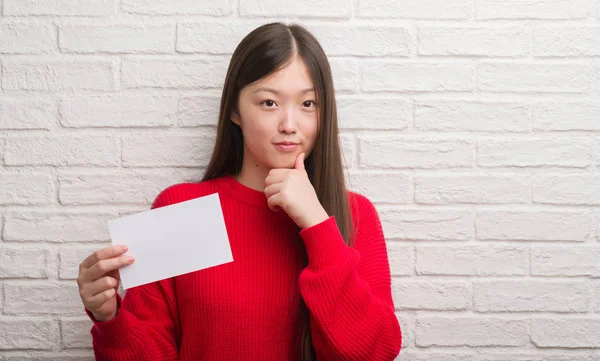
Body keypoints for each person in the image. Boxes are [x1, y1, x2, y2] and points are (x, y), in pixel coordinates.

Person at [77, 22, 401, 361]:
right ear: (235, 110)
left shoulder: (355, 213)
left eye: (308, 104)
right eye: (269, 103)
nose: (289, 124)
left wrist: (318, 225)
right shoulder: (181, 207)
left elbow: (375, 352)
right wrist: (109, 318)